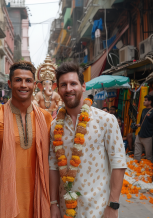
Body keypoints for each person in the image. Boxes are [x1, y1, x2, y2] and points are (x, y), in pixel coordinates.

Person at [0, 61, 53, 218]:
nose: (23, 85)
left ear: (34, 85)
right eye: (18, 80)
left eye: (28, 80)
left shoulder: (46, 118)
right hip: (0, 198)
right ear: (9, 83)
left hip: (36, 199)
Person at [49, 62, 127, 218]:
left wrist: (113, 204)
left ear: (83, 86)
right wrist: (53, 203)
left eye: (73, 83)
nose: (68, 88)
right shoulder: (54, 127)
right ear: (58, 90)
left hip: (99, 209)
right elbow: (53, 166)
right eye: (63, 85)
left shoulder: (106, 120)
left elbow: (118, 162)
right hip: (66, 210)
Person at [134, 95, 153, 162]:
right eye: (144, 100)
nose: (144, 101)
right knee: (136, 154)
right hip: (140, 135)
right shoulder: (143, 110)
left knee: (148, 155)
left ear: (150, 102)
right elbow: (141, 122)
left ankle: (149, 169)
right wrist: (137, 125)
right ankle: (136, 167)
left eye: (145, 100)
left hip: (148, 136)